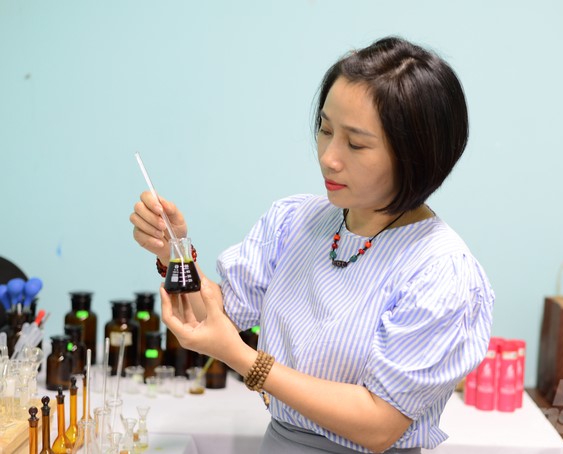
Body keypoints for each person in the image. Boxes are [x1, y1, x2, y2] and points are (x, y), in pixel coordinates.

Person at [130, 36, 494, 453]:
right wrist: (174, 249)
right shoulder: (294, 221)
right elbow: (217, 316)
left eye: (355, 143)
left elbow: (380, 425)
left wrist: (245, 359)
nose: (328, 157)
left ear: (417, 155)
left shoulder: (440, 271)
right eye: (324, 129)